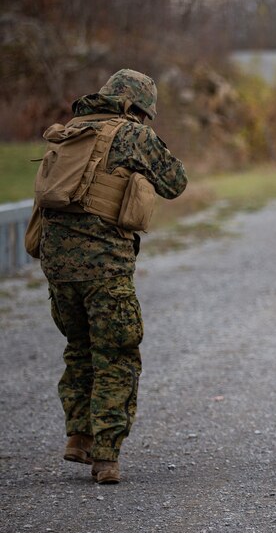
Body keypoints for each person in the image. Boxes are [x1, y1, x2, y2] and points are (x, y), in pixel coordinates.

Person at [33, 69, 187, 484]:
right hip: (106, 267)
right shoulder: (134, 135)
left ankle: (78, 437)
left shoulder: (71, 130)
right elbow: (176, 182)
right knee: (116, 354)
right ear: (135, 107)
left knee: (79, 347)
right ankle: (106, 457)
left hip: (58, 265)